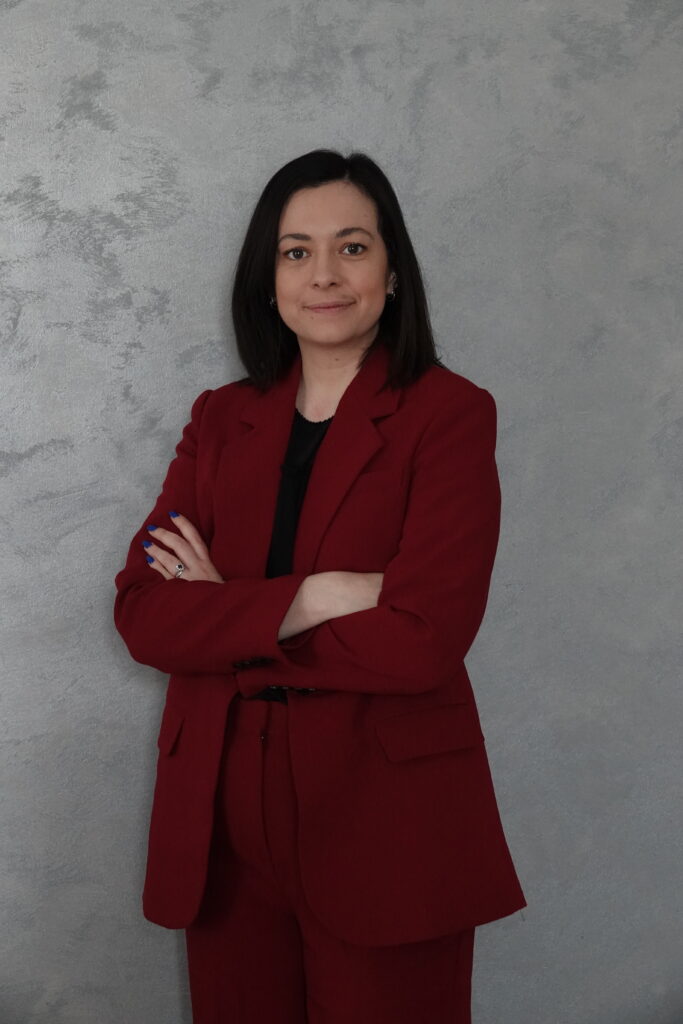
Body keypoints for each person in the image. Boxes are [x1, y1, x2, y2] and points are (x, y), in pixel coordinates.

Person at [113, 148, 526, 1023]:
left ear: (392, 272)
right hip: (222, 822)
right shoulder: (220, 417)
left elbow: (421, 640)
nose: (324, 275)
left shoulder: (449, 415)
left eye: (352, 247)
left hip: (387, 821)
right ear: (267, 281)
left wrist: (227, 612)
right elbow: (144, 614)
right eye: (295, 252)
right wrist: (319, 594)